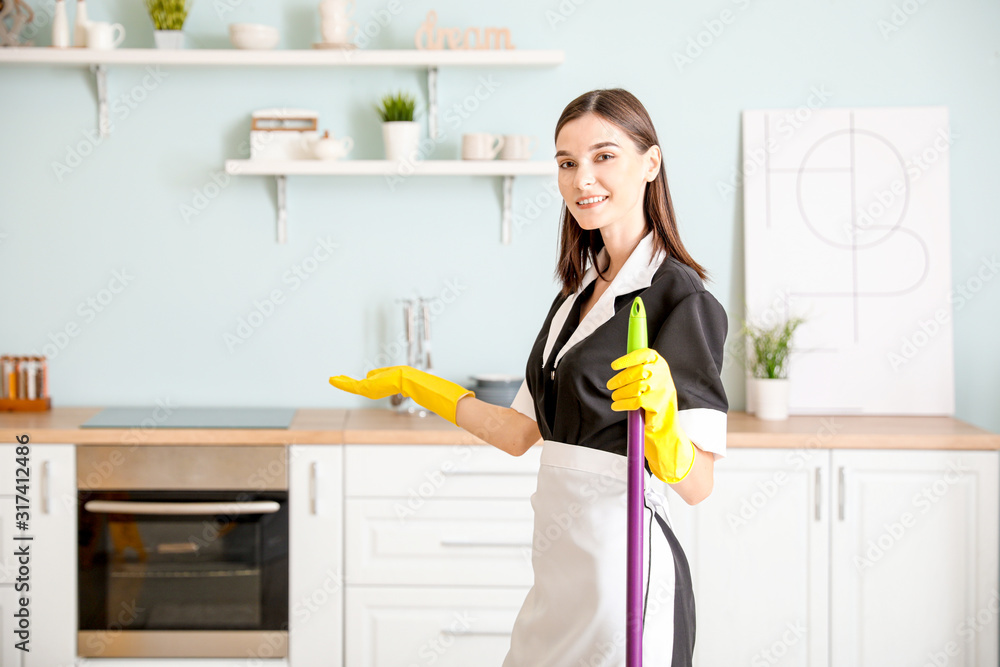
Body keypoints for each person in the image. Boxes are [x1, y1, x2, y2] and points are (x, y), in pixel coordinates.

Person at [329, 88, 729, 667]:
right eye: (567, 163)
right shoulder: (574, 297)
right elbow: (519, 433)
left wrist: (665, 423)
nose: (581, 178)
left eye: (603, 156)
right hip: (560, 565)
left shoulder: (680, 299)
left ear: (651, 163)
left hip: (625, 569)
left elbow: (698, 485)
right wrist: (416, 384)